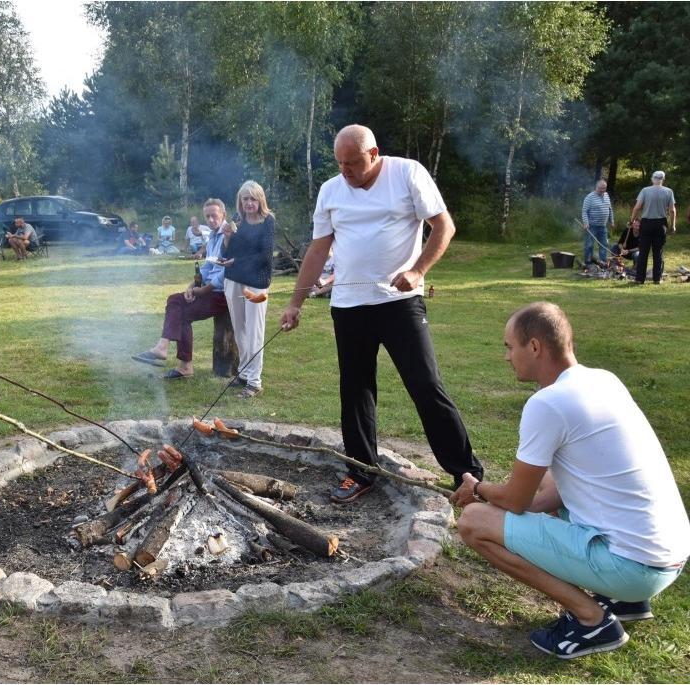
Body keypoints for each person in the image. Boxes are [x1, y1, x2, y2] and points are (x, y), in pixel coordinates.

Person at [450, 302, 689, 659]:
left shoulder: (548, 403)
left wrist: (478, 490)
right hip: (668, 555)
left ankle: (593, 620)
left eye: (509, 346)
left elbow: (515, 501)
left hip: (636, 566)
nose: (506, 357)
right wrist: (517, 511)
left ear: (534, 347)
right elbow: (549, 492)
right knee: (547, 476)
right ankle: (625, 601)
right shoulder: (602, 380)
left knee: (473, 522)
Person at [279, 124, 484, 504]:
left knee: (425, 384)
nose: (346, 171)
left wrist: (418, 271)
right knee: (355, 389)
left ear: (374, 154)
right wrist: (296, 303)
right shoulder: (331, 190)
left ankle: (465, 472)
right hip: (349, 307)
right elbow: (318, 251)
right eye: (340, 163)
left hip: (400, 304)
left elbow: (444, 226)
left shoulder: (407, 174)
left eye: (353, 163)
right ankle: (361, 471)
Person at [131, 199, 230, 379]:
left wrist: (203, 290)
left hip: (222, 294)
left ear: (224, 215)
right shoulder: (213, 237)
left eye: (214, 216)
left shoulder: (228, 236)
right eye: (207, 216)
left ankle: (182, 363)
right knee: (174, 299)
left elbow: (226, 273)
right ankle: (165, 348)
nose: (210, 220)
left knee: (183, 314)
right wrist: (191, 287)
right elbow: (207, 267)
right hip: (207, 290)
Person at [221, 180, 275, 399]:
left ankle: (255, 381)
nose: (249, 203)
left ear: (260, 199)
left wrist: (237, 262)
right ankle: (243, 373)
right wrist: (226, 237)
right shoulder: (237, 220)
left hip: (256, 282)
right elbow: (226, 254)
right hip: (233, 279)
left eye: (253, 198)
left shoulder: (267, 221)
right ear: (240, 201)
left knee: (255, 331)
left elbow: (265, 256)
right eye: (245, 199)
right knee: (239, 329)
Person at [629, 170, 676, 284]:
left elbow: (637, 207)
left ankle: (640, 279)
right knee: (658, 252)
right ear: (663, 180)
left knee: (643, 251)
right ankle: (657, 278)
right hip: (660, 224)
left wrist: (632, 220)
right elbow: (672, 210)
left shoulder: (645, 191)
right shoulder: (668, 191)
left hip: (647, 223)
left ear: (652, 179)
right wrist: (673, 225)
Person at [581, 179, 614, 267]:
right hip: (591, 226)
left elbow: (610, 209)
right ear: (596, 187)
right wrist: (586, 223)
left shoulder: (606, 195)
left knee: (604, 244)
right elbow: (584, 211)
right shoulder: (589, 197)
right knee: (589, 245)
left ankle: (602, 262)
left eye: (604, 188)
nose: (603, 190)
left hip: (603, 226)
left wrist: (611, 221)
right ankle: (588, 263)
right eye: (601, 188)